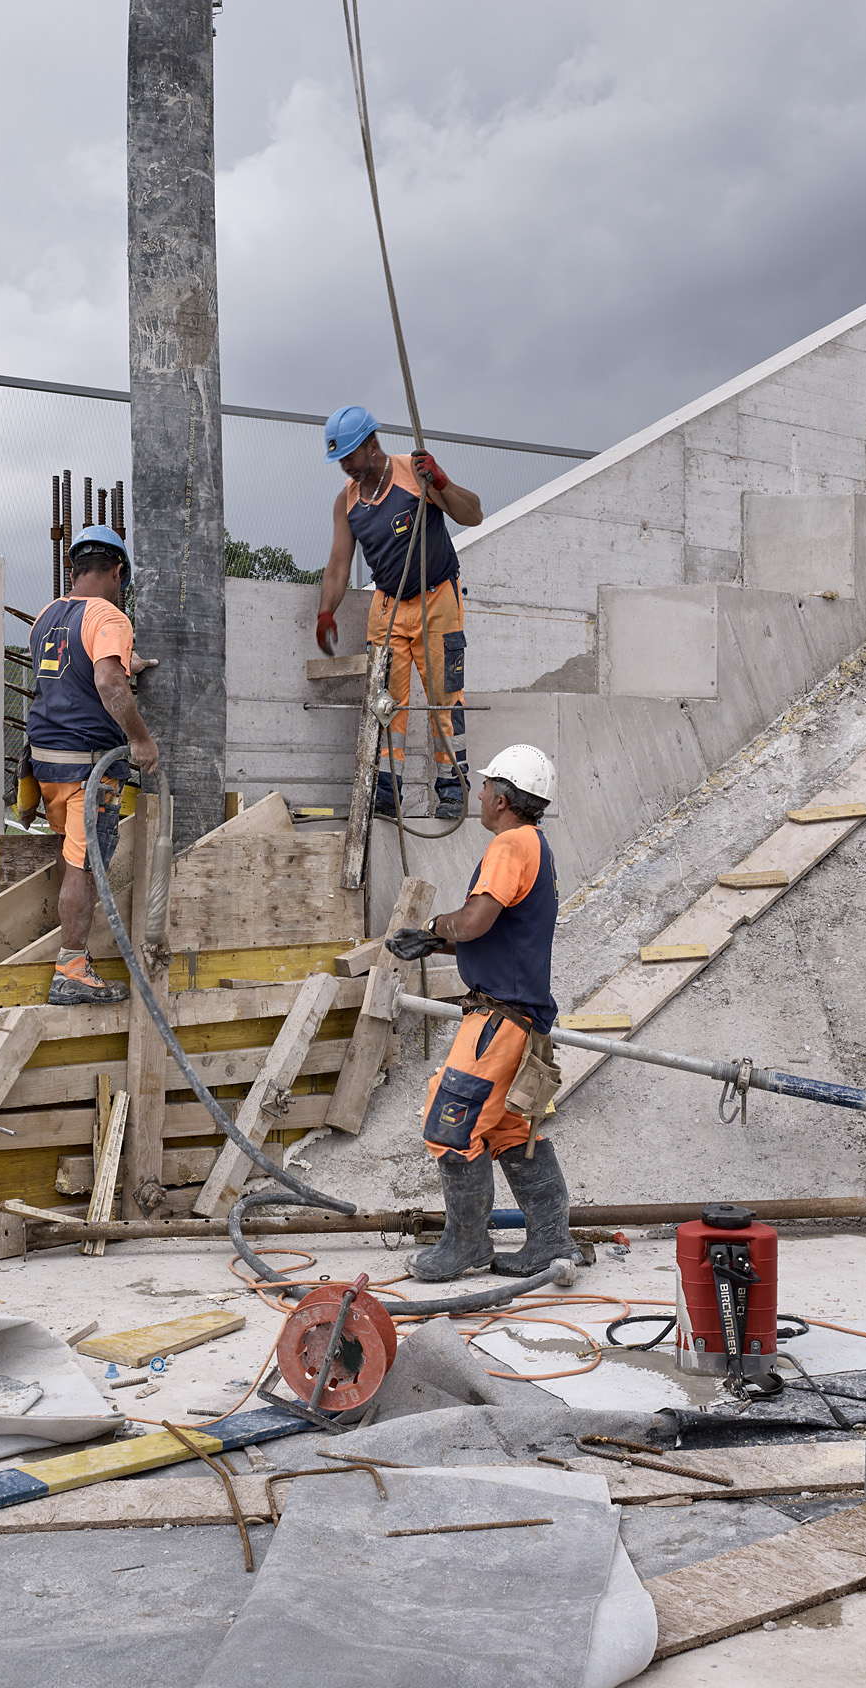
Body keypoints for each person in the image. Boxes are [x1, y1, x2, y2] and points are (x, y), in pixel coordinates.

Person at [386, 744, 579, 1280]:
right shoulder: (534, 845)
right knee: (510, 1130)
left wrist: (435, 929)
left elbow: (472, 922)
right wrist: (436, 946)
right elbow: (499, 934)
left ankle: (467, 1244)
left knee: (452, 1121)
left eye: (487, 786)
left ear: (503, 797)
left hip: (498, 1019)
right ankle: (550, 1241)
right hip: (523, 1018)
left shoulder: (509, 845)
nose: (480, 794)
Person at [316, 405, 482, 823]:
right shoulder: (348, 502)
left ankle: (452, 788)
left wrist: (442, 482)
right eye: (340, 461)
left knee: (445, 697)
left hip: (437, 599)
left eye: (349, 458)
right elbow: (338, 566)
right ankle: (387, 792)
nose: (345, 468)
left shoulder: (417, 472)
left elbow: (473, 514)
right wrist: (326, 612)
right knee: (387, 704)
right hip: (387, 608)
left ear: (371, 446)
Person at [16, 523, 159, 1007]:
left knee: (70, 853)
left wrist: (125, 662)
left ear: (73, 569)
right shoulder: (110, 616)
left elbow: (72, 670)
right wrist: (141, 740)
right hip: (87, 767)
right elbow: (107, 683)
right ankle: (72, 967)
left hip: (46, 763)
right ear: (118, 571)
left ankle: (73, 959)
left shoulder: (46, 617)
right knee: (84, 866)